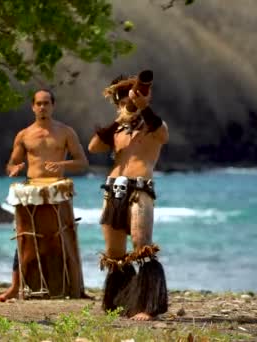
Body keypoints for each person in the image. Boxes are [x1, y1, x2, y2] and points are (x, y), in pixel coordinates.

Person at [0, 89, 90, 302]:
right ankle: (14, 287)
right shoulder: (24, 135)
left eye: (46, 103)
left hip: (56, 190)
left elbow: (82, 162)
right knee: (24, 239)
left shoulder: (65, 132)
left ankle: (76, 286)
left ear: (53, 106)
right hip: (31, 192)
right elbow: (12, 163)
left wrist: (62, 164)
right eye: (38, 103)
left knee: (65, 237)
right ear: (33, 106)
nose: (42, 107)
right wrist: (14, 168)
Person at [88, 71, 169, 321]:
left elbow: (163, 134)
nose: (128, 107)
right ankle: (121, 301)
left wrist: (142, 107)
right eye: (123, 103)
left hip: (140, 189)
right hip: (113, 189)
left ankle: (148, 306)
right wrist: (119, 120)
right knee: (114, 252)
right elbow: (94, 147)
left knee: (141, 245)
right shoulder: (117, 132)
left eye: (130, 103)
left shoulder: (154, 128)